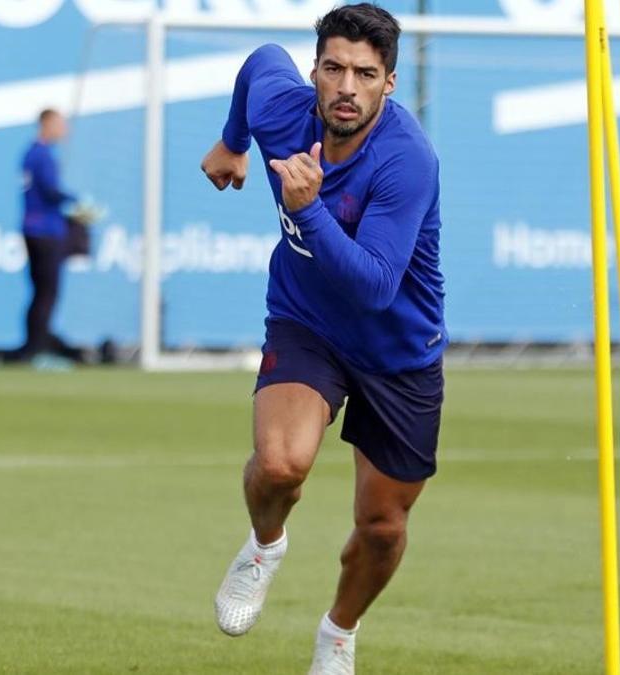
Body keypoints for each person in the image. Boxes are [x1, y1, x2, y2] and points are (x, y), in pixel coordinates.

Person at [201, 5, 445, 673]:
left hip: (399, 349)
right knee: (280, 464)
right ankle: (263, 545)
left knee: (383, 527)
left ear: (388, 84)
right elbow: (258, 65)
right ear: (314, 71)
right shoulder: (285, 109)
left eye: (365, 74)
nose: (346, 87)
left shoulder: (407, 161)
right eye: (333, 68)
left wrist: (307, 207)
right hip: (307, 319)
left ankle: (339, 630)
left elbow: (373, 286)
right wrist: (233, 141)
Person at [13, 108, 79, 365]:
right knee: (48, 292)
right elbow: (51, 191)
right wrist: (76, 202)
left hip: (31, 228)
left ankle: (31, 347)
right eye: (60, 124)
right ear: (47, 124)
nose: (64, 130)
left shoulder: (30, 153)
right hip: (45, 231)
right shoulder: (43, 156)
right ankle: (37, 350)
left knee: (39, 291)